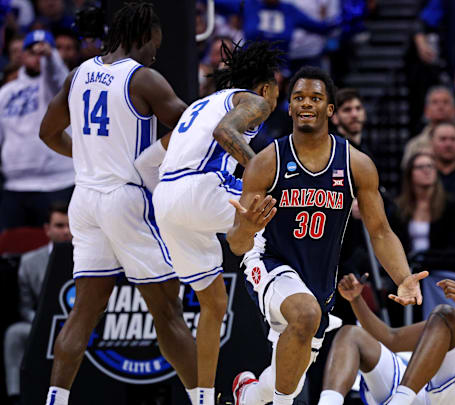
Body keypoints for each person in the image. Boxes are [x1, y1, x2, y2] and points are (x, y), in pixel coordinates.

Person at [228, 66, 426, 405]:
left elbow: (379, 231)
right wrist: (246, 227)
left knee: (283, 377)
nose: (306, 104)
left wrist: (403, 277)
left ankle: (248, 395)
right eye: (299, 98)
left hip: (318, 282)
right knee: (305, 315)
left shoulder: (356, 164)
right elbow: (236, 244)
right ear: (289, 108)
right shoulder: (267, 162)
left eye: (315, 98)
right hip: (269, 261)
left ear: (329, 109)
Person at [38, 3, 200, 405]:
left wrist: (87, 157)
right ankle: (205, 399)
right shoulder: (142, 79)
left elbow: (47, 133)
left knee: (83, 313)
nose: (155, 55)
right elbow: (191, 128)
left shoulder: (78, 75)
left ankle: (55, 400)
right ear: (142, 36)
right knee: (167, 311)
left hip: (85, 201)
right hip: (125, 200)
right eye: (154, 47)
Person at [148, 40, 284, 404]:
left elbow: (149, 158)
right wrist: (264, 176)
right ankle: (293, 317)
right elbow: (225, 134)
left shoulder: (199, 105)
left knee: (213, 305)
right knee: (285, 210)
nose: (275, 102)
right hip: (202, 187)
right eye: (277, 91)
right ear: (266, 88)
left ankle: (203, 399)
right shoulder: (251, 101)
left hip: (166, 199)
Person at [316, 245, 455, 405]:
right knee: (351, 334)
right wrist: (357, 300)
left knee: (445, 314)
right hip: (430, 394)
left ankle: (400, 401)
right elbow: (391, 339)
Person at [0, 29, 74, 232]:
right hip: (15, 186)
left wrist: (50, 57)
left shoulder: (58, 86)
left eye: (43, 52)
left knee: (58, 250)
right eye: (33, 52)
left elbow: (56, 78)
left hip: (57, 183)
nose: (38, 57)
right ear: (22, 55)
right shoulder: (6, 92)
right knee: (10, 251)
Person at [4, 202, 71, 405]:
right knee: (14, 333)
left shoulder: (91, 257)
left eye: (70, 226)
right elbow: (25, 306)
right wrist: (42, 322)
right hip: (39, 325)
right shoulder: (29, 261)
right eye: (60, 226)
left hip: (84, 326)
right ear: (47, 229)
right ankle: (15, 396)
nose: (66, 232)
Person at [388, 152, 455, 254]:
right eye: (420, 167)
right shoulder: (398, 208)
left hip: (441, 265)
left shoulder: (449, 205)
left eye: (430, 166)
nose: (427, 170)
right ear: (410, 173)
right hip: (407, 266)